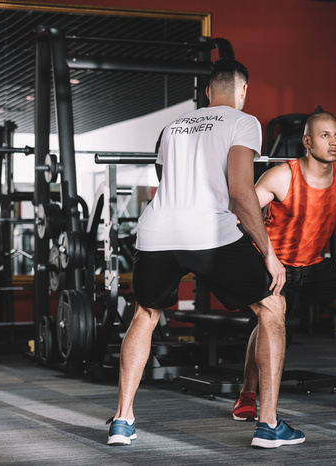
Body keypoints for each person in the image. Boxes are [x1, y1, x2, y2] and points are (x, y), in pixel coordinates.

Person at [106, 58, 305, 449]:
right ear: (242, 91)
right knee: (271, 308)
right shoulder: (243, 121)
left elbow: (166, 182)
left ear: (209, 93)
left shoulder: (174, 126)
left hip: (156, 231)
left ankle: (122, 420)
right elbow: (240, 191)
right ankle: (268, 424)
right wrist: (268, 251)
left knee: (145, 315)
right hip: (209, 232)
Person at [232, 110, 336, 422]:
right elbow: (242, 212)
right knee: (269, 321)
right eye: (325, 135)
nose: (334, 142)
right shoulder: (282, 176)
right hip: (274, 264)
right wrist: (263, 256)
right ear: (307, 141)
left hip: (313, 264)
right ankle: (248, 393)